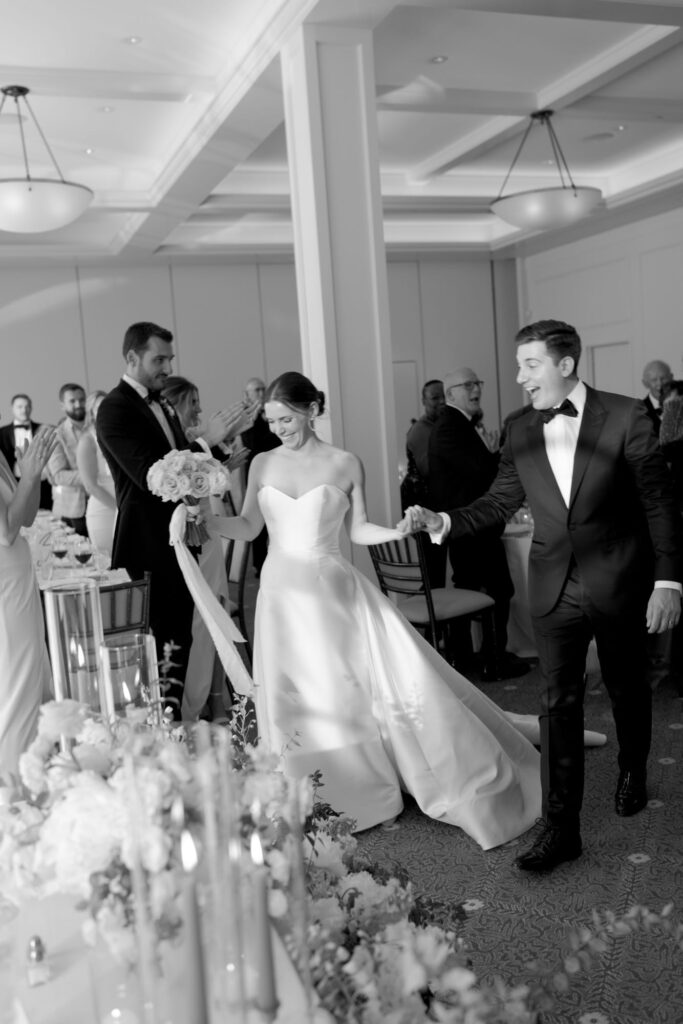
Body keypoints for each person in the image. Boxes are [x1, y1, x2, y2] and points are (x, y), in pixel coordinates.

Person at [208, 369, 547, 850]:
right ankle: (299, 788)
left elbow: (358, 530)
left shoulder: (345, 463)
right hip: (281, 594)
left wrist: (398, 533)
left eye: (285, 418)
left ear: (310, 410)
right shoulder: (261, 463)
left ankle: (361, 787)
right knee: (291, 690)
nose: (278, 427)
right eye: (271, 419)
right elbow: (247, 526)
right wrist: (206, 518)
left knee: (341, 686)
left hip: (331, 590)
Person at [405, 319, 683, 871]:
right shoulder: (519, 429)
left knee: (627, 686)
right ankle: (562, 828)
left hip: (619, 580)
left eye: (530, 365)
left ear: (565, 364)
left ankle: (631, 767)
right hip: (553, 584)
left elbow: (659, 503)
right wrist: (442, 520)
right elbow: (497, 501)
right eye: (519, 365)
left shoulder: (627, 416)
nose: (519, 377)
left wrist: (667, 581)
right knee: (558, 702)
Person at [97, 322, 245, 715]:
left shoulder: (162, 402)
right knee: (159, 645)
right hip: (146, 543)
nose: (166, 367)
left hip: (178, 538)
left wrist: (216, 456)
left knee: (179, 636)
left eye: (168, 359)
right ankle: (161, 734)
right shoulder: (114, 408)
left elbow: (183, 464)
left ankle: (175, 725)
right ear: (132, 358)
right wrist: (204, 440)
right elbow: (152, 475)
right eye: (157, 359)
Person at [428, 368, 529, 679]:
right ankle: (491, 659)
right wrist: (495, 453)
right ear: (451, 394)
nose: (476, 389)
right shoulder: (451, 426)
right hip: (471, 527)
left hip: (469, 526)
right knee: (497, 588)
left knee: (472, 587)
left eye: (477, 382)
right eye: (467, 384)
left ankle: (471, 657)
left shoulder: (458, 424)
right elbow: (482, 473)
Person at [161, 374, 249, 720]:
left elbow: (207, 485)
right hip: (186, 536)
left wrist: (223, 466)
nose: (198, 409)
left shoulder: (200, 442)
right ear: (175, 405)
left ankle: (214, 695)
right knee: (198, 622)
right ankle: (192, 702)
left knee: (217, 616)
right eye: (192, 402)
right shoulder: (171, 445)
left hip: (209, 535)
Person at [0, 424, 57, 781]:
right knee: (14, 683)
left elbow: (27, 516)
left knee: (33, 673)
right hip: (4, 580)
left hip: (18, 573)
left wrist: (30, 477)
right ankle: (12, 785)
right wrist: (29, 475)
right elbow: (5, 531)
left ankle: (33, 772)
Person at [238, 376, 281, 575]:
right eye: (257, 390)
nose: (262, 393)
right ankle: (260, 565)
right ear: (247, 395)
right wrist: (257, 420)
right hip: (257, 476)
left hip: (278, 473)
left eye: (264, 389)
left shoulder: (275, 414)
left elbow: (280, 442)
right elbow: (253, 445)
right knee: (257, 521)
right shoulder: (245, 419)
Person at [76, 390, 117, 555]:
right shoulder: (87, 441)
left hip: (124, 507)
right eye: (99, 407)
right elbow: (90, 485)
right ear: (91, 413)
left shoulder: (117, 436)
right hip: (105, 511)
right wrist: (119, 510)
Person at [47, 382, 88, 536]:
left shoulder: (98, 429)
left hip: (105, 501)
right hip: (74, 510)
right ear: (62, 406)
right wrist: (92, 476)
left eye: (82, 399)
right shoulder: (57, 436)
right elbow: (58, 475)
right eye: (72, 401)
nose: (78, 404)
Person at [0, 393, 52, 509]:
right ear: (12, 409)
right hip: (15, 483)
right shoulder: (2, 433)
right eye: (20, 407)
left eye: (27, 406)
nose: (24, 410)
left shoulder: (44, 429)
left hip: (42, 482)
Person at [641, 359, 673, 435]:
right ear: (645, 383)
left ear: (671, 378)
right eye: (654, 380)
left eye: (663, 378)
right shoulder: (639, 411)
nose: (660, 384)